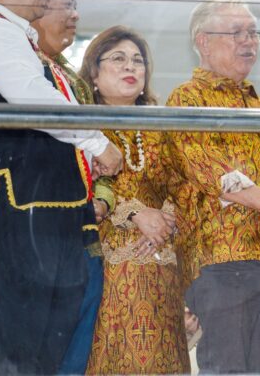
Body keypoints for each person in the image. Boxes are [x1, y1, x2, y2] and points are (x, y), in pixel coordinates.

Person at [0, 0, 122, 374]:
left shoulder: (14, 35)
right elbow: (34, 99)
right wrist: (98, 142)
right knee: (21, 348)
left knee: (43, 350)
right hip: (22, 211)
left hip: (44, 212)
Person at [164, 0, 260, 374]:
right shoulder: (187, 98)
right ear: (203, 41)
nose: (249, 41)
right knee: (228, 368)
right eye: (237, 33)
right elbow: (204, 164)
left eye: (253, 33)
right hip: (224, 260)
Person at [78, 26, 190, 374]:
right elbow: (76, 186)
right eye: (118, 58)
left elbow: (186, 185)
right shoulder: (79, 127)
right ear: (94, 73)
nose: (130, 67)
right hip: (104, 270)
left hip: (162, 269)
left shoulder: (164, 127)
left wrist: (166, 218)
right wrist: (133, 213)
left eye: (138, 60)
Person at [29, 0, 105, 375]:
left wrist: (105, 196)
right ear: (34, 8)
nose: (74, 15)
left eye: (76, 6)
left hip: (82, 236)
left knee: (73, 361)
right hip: (31, 235)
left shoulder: (73, 79)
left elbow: (98, 158)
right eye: (64, 5)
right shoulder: (12, 72)